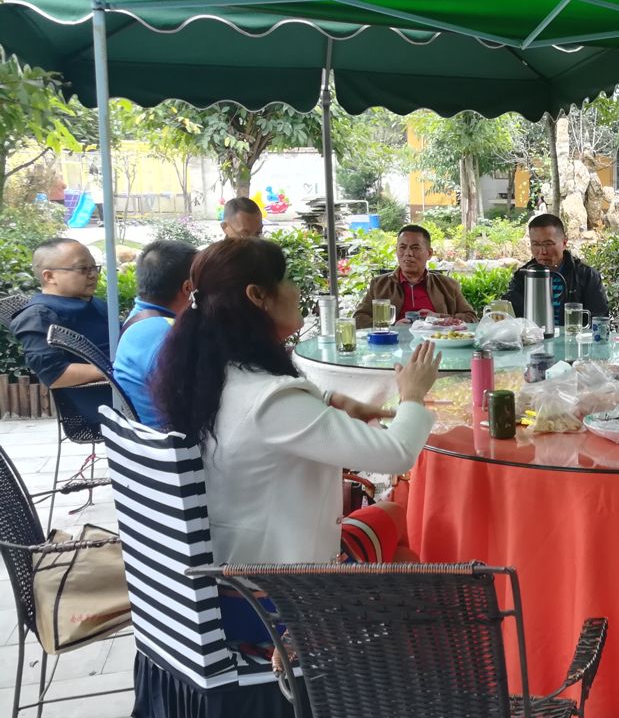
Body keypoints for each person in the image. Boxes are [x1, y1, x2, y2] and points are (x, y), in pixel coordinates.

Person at [153, 237, 439, 581]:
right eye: (286, 279)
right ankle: (376, 606)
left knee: (392, 520)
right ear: (257, 295)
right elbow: (397, 453)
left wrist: (331, 401)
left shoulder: (212, 374)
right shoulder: (271, 401)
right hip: (280, 587)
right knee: (398, 526)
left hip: (234, 559)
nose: (296, 290)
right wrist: (412, 393)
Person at [10, 238, 111, 427]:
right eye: (83, 269)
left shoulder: (91, 302)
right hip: (104, 403)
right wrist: (118, 369)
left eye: (94, 267)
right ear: (49, 276)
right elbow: (55, 374)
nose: (93, 275)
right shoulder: (38, 316)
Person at [113, 239, 197, 428]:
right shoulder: (165, 335)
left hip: (151, 434)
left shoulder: (140, 318)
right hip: (171, 439)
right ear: (188, 288)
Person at [352, 224, 476, 328]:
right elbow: (358, 319)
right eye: (402, 247)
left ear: (429, 253)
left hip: (436, 343)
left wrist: (439, 318)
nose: (408, 253)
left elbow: (471, 318)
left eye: (415, 248)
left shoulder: (448, 285)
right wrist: (391, 326)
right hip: (393, 345)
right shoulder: (379, 285)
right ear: (396, 250)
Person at [501, 213, 609, 323]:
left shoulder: (587, 276)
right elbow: (509, 317)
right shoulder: (522, 277)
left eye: (548, 244)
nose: (542, 252)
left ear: (564, 243)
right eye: (536, 244)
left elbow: (599, 318)